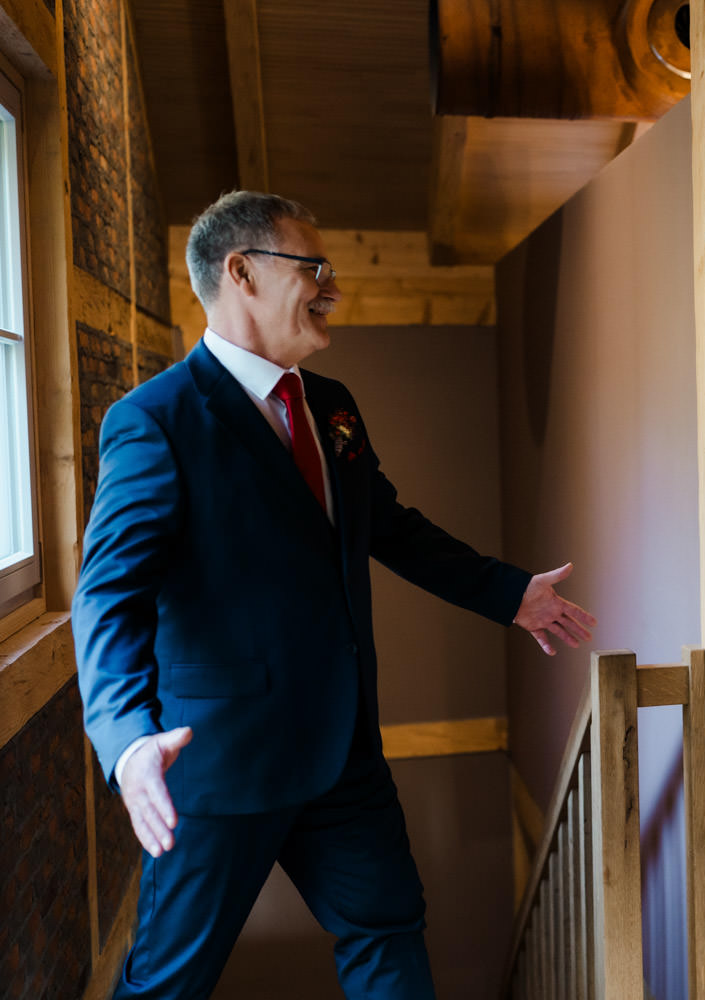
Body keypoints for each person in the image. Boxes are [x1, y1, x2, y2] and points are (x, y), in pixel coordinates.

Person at [72, 190, 597, 999]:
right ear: (240, 272)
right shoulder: (156, 421)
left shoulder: (333, 406)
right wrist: (126, 740)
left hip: (344, 756)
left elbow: (390, 526)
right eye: (312, 267)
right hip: (217, 766)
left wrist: (509, 595)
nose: (333, 287)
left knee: (389, 934)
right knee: (167, 987)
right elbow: (107, 598)